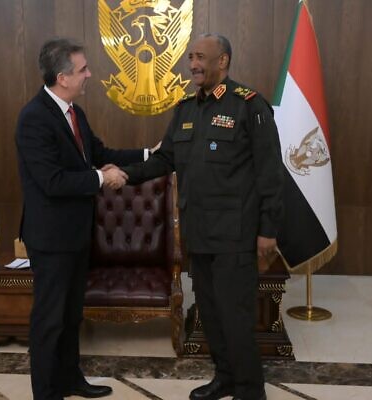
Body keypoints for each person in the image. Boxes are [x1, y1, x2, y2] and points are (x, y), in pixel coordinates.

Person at [121, 33, 284, 400]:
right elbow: (166, 160)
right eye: (191, 57)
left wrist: (268, 230)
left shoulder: (249, 106)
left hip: (235, 236)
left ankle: (249, 391)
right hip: (198, 234)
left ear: (223, 61)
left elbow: (270, 173)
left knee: (236, 318)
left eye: (201, 57)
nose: (193, 64)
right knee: (209, 315)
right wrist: (125, 175)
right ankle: (224, 378)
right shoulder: (186, 109)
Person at [15, 38, 153, 400]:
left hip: (76, 234)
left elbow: (100, 152)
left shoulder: (74, 112)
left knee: (72, 315)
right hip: (50, 238)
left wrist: (149, 155)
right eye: (83, 69)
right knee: (49, 320)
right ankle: (47, 393)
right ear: (63, 77)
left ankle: (70, 378)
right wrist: (101, 178)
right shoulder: (34, 119)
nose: (90, 74)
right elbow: (53, 181)